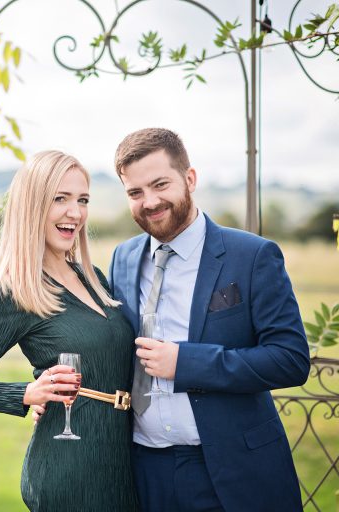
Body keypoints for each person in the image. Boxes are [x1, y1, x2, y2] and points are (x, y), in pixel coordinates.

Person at [109, 128, 310, 512]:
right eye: (135, 192)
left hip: (231, 472)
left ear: (190, 179)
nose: (149, 202)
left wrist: (187, 363)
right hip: (142, 471)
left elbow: (290, 359)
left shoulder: (252, 256)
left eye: (160, 184)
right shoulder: (124, 258)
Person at [0, 150, 139, 511]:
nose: (74, 213)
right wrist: (28, 393)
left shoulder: (93, 279)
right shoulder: (10, 290)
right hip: (69, 470)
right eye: (59, 199)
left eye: (82, 200)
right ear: (32, 206)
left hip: (124, 461)